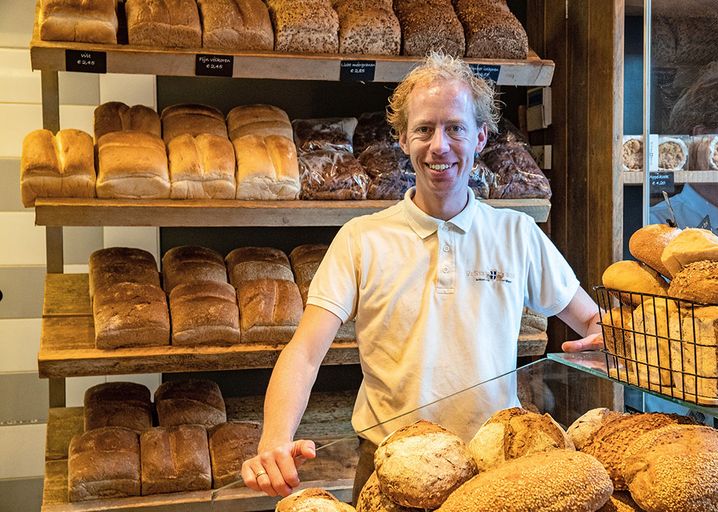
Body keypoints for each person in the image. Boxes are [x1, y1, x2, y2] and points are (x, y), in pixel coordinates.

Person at [240, 52, 603, 502]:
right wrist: (274, 438)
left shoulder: (516, 233)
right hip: (391, 464)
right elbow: (305, 353)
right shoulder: (362, 238)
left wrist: (603, 338)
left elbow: (591, 321)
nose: (439, 146)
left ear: (481, 136)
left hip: (493, 461)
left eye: (455, 128)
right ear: (402, 139)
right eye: (424, 130)